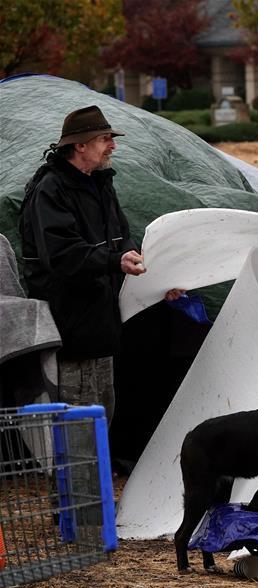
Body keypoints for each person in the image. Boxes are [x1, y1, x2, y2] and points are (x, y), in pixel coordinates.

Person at [18, 105, 181, 423]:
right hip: (71, 327)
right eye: (104, 138)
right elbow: (63, 255)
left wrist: (157, 278)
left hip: (101, 324)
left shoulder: (101, 184)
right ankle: (80, 476)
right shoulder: (50, 190)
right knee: (78, 420)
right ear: (79, 145)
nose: (113, 145)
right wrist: (115, 261)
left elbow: (123, 241)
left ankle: (99, 474)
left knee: (102, 412)